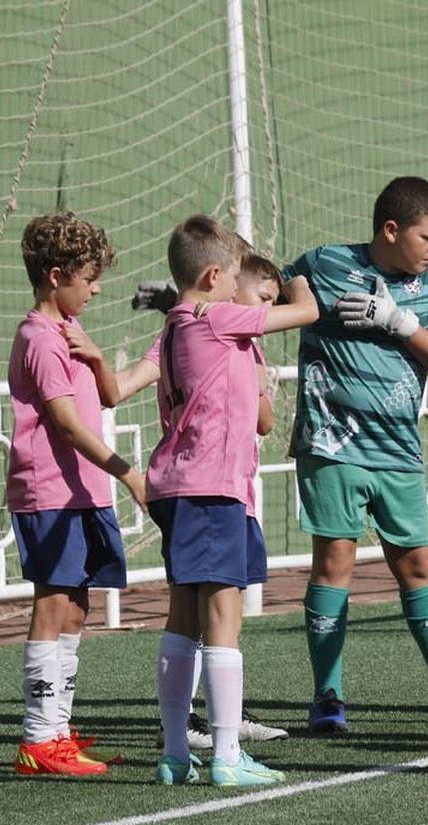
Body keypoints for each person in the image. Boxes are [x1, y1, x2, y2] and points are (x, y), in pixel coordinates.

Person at [287, 176, 428, 732]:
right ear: (391, 230)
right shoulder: (325, 263)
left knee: (417, 565)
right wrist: (188, 301)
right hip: (331, 446)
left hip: (398, 449)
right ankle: (328, 699)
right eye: (427, 237)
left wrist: (398, 322)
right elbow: (269, 287)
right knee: (334, 564)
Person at [148, 215, 319, 786]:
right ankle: (225, 754)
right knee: (223, 618)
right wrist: (299, 278)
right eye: (235, 277)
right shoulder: (216, 316)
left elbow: (261, 418)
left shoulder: (174, 325)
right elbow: (307, 311)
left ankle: (177, 752)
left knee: (183, 616)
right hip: (211, 486)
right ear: (214, 278)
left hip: (178, 483)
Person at [122, 257, 292, 751]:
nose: (264, 308)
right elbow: (264, 420)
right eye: (260, 297)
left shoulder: (190, 331)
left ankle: (198, 732)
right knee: (209, 614)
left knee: (211, 614)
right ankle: (216, 741)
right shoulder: (217, 329)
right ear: (227, 287)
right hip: (209, 485)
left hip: (216, 486)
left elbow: (122, 385)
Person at [8, 212, 139, 777]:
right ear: (56, 276)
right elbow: (65, 423)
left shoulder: (69, 332)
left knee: (78, 607)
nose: (96, 289)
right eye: (88, 278)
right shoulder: (39, 338)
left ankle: (59, 731)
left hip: (84, 491)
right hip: (51, 493)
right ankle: (38, 738)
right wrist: (129, 473)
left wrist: (98, 355)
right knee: (54, 602)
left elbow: (105, 398)